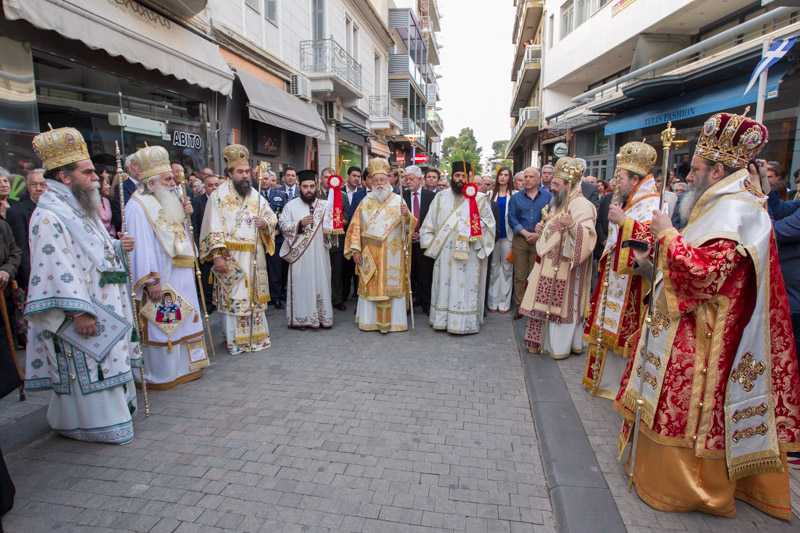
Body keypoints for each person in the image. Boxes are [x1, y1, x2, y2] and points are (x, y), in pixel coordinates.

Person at [615, 111, 800, 519]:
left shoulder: (738, 212)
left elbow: (705, 276)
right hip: (690, 323)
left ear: (717, 171)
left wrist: (667, 234)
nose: (690, 176)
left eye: (697, 169)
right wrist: (659, 242)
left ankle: (690, 487)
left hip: (709, 336)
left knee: (691, 408)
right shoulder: (721, 204)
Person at [24, 127, 139, 444]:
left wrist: (117, 247)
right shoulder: (49, 215)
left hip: (104, 305)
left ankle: (107, 418)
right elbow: (54, 267)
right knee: (87, 365)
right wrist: (79, 312)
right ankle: (89, 425)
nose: (96, 177)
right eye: (87, 172)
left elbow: (92, 253)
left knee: (105, 360)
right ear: (65, 177)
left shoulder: (79, 206)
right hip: (82, 311)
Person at [126, 145, 208, 389]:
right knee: (163, 324)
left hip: (180, 272)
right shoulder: (137, 206)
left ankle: (187, 367)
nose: (174, 183)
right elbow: (139, 247)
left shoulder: (167, 199)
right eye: (167, 179)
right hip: (161, 277)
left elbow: (178, 235)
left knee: (184, 318)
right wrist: (150, 280)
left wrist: (185, 216)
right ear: (152, 183)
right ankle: (163, 373)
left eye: (172, 178)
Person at [582, 142, 658, 399]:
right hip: (615, 277)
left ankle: (618, 386)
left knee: (624, 331)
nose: (616, 183)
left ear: (635, 179)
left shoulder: (652, 203)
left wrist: (624, 222)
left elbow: (652, 241)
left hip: (632, 285)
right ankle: (602, 381)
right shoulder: (631, 201)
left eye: (621, 178)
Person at [199, 144, 277, 355]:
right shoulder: (218, 196)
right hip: (231, 257)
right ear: (230, 173)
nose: (245, 176)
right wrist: (217, 256)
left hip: (255, 255)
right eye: (240, 172)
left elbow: (271, 216)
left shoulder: (255, 195)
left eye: (246, 171)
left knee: (255, 298)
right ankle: (236, 341)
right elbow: (212, 227)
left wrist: (265, 223)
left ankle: (257, 338)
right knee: (235, 296)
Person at [519, 157, 597, 358]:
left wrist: (572, 226)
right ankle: (541, 343)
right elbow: (552, 231)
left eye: (556, 184)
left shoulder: (582, 205)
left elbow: (589, 237)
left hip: (565, 269)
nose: (552, 188)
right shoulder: (559, 203)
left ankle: (558, 347)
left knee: (560, 307)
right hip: (546, 264)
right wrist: (542, 229)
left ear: (569, 185)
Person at [420, 161, 496, 334]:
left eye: (463, 176)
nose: (460, 179)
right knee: (444, 286)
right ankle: (442, 320)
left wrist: (472, 229)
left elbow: (489, 224)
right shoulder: (440, 197)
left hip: (469, 253)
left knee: (466, 286)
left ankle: (465, 323)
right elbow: (429, 222)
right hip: (445, 254)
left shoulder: (479, 198)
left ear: (469, 177)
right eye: (457, 176)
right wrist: (431, 245)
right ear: (452, 177)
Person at [345, 158, 415, 333]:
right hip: (370, 253)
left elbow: (409, 228)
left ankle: (394, 322)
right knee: (371, 286)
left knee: (392, 288)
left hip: (393, 252)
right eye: (376, 180)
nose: (379, 183)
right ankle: (370, 322)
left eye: (383, 179)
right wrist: (356, 251)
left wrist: (407, 216)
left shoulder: (399, 200)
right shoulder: (365, 202)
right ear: (370, 182)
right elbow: (355, 228)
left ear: (388, 180)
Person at [279, 169, 334, 329]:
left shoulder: (325, 206)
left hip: (320, 254)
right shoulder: (290, 206)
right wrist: (300, 225)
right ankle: (301, 318)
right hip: (300, 257)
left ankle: (322, 317)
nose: (308, 190)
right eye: (305, 187)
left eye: (311, 186)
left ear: (316, 186)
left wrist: (330, 228)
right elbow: (283, 226)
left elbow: (332, 230)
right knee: (301, 286)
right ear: (299, 186)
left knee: (321, 283)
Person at [508, 167, 551, 316]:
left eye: (531, 177)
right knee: (520, 274)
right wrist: (526, 233)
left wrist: (537, 235)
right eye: (525, 177)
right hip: (521, 239)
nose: (527, 179)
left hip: (540, 240)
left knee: (535, 274)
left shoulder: (548, 197)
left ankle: (532, 306)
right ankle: (520, 306)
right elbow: (512, 218)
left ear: (538, 179)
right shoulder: (516, 198)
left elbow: (552, 217)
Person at [6, 169, 46, 293]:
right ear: (28, 187)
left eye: (43, 185)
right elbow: (22, 250)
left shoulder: (60, 209)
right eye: (34, 185)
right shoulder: (17, 212)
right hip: (35, 277)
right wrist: (31, 283)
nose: (38, 189)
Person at [402, 165, 435, 315]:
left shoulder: (431, 196)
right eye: (406, 179)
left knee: (425, 275)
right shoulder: (401, 196)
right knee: (409, 275)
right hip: (407, 242)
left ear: (420, 179)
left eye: (411, 179)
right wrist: (408, 233)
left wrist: (421, 234)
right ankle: (407, 305)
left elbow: (434, 219)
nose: (408, 182)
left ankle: (426, 304)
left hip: (424, 242)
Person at [316, 167, 350, 311]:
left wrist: (338, 222)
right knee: (320, 270)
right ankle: (320, 298)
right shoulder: (316, 195)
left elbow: (347, 214)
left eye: (331, 177)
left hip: (337, 239)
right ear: (321, 179)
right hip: (319, 239)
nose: (328, 180)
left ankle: (337, 299)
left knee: (337, 271)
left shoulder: (342, 196)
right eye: (325, 177)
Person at [191, 174, 219, 313]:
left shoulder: (225, 201)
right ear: (205, 187)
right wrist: (198, 247)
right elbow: (194, 226)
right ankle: (208, 302)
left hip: (222, 246)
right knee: (206, 277)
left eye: (216, 185)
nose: (214, 188)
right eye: (210, 185)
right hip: (205, 246)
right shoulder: (197, 202)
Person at [487, 167, 514, 313]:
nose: (503, 177)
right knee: (493, 268)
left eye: (506, 175)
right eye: (501, 175)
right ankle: (492, 301)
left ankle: (504, 302)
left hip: (508, 236)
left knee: (507, 269)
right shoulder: (490, 194)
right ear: (497, 177)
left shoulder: (514, 195)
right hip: (493, 236)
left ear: (509, 178)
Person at [262, 171, 289, 309]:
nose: (264, 181)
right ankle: (263, 297)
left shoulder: (280, 195)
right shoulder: (253, 196)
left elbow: (284, 215)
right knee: (262, 269)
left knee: (276, 270)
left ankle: (276, 297)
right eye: (262, 178)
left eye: (267, 179)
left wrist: (278, 229)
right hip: (260, 240)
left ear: (272, 180)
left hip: (276, 239)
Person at [342, 166, 362, 300]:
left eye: (358, 176)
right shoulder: (339, 191)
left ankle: (357, 293)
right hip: (343, 234)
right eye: (354, 176)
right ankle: (344, 295)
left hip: (357, 235)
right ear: (348, 176)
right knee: (345, 267)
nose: (356, 179)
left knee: (358, 266)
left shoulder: (361, 193)